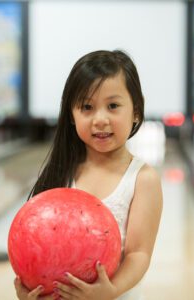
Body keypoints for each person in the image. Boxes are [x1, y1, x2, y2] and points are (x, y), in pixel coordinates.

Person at [14, 49, 163, 300]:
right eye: (87, 107)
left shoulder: (142, 179)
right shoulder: (61, 172)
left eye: (113, 106)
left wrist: (111, 290)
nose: (100, 119)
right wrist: (29, 287)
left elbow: (139, 254)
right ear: (71, 115)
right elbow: (33, 243)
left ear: (136, 111)